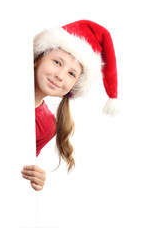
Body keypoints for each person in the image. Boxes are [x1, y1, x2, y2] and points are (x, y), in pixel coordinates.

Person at [21, 20, 120, 191]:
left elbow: (20, 167)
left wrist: (33, 179)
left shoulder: (47, 125)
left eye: (71, 74)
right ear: (37, 58)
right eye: (57, 62)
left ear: (73, 87)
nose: (60, 75)